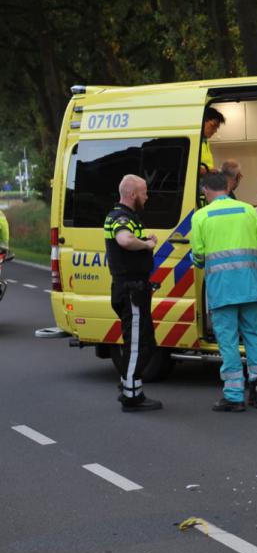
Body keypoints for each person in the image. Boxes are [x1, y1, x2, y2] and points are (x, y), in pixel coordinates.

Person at [191, 173, 257, 412]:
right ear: (227, 186)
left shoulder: (201, 216)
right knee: (255, 336)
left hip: (222, 290)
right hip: (250, 287)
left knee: (229, 342)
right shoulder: (248, 211)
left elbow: (199, 257)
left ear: (205, 191)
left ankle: (234, 395)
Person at [103, 175, 162, 412]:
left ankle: (129, 384)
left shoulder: (126, 216)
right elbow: (125, 240)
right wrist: (146, 244)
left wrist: (144, 240)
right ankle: (131, 397)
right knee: (137, 344)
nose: (147, 197)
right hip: (131, 290)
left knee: (146, 342)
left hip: (134, 289)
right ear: (133, 194)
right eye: (145, 192)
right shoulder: (120, 216)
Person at [200, 107, 225, 175]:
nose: (215, 131)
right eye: (213, 125)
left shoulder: (205, 142)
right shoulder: (194, 142)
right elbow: (190, 167)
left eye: (217, 128)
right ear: (202, 121)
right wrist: (210, 171)